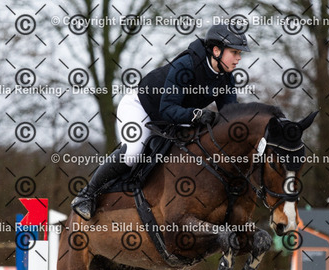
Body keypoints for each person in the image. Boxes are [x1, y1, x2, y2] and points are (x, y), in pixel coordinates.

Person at [72, 24, 250, 220]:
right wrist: (197, 115)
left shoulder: (226, 78)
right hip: (142, 107)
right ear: (216, 51)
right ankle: (87, 194)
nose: (238, 58)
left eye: (239, 53)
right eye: (234, 52)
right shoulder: (186, 66)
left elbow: (229, 116)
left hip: (175, 117)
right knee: (133, 153)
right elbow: (167, 109)